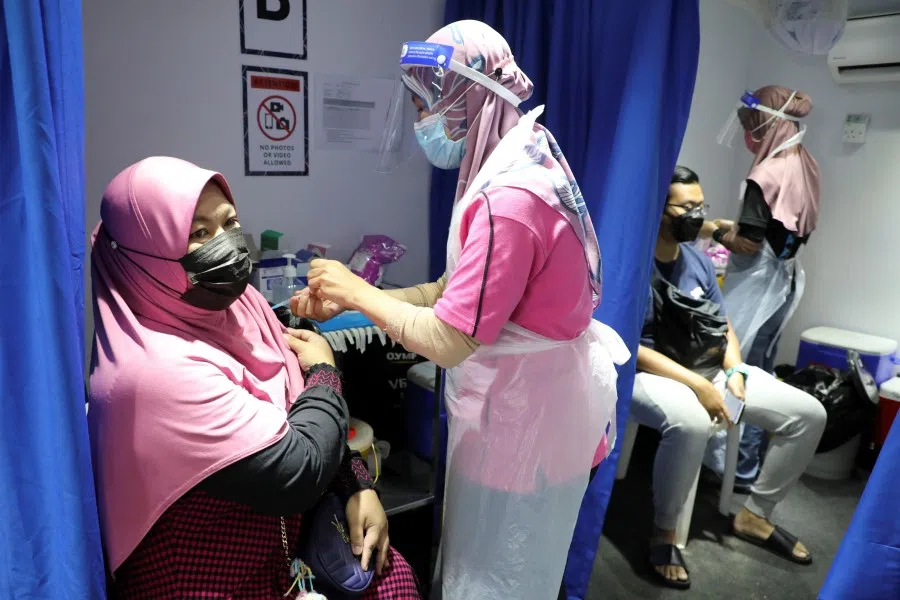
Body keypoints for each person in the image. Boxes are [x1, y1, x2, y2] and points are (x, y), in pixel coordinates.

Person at [290, 20, 628, 600]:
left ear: (469, 96)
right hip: (536, 412)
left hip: (529, 430)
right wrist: (349, 304)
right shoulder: (517, 158)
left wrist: (357, 291)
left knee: (502, 580)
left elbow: (448, 338)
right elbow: (449, 291)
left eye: (427, 102)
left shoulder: (509, 199)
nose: (422, 120)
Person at [87, 156, 421, 599]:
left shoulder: (243, 307)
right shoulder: (153, 373)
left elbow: (303, 406)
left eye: (230, 223)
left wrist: (358, 484)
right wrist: (326, 370)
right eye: (199, 233)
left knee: (394, 580)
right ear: (143, 256)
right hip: (203, 573)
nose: (226, 245)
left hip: (284, 549)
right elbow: (298, 468)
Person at [632, 165, 826, 590]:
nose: (696, 215)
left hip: (708, 369)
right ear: (658, 210)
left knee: (809, 414)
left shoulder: (698, 263)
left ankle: (755, 515)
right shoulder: (634, 262)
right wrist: (698, 385)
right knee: (691, 422)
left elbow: (723, 326)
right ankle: (665, 531)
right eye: (685, 207)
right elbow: (630, 347)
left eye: (700, 206)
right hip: (650, 372)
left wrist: (734, 370)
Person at [702, 86, 821, 489]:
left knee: (736, 372)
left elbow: (749, 244)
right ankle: (747, 463)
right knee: (762, 373)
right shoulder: (805, 165)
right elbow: (783, 229)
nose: (748, 131)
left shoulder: (766, 175)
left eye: (752, 122)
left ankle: (727, 466)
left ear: (768, 122)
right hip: (783, 283)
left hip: (757, 287)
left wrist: (713, 230)